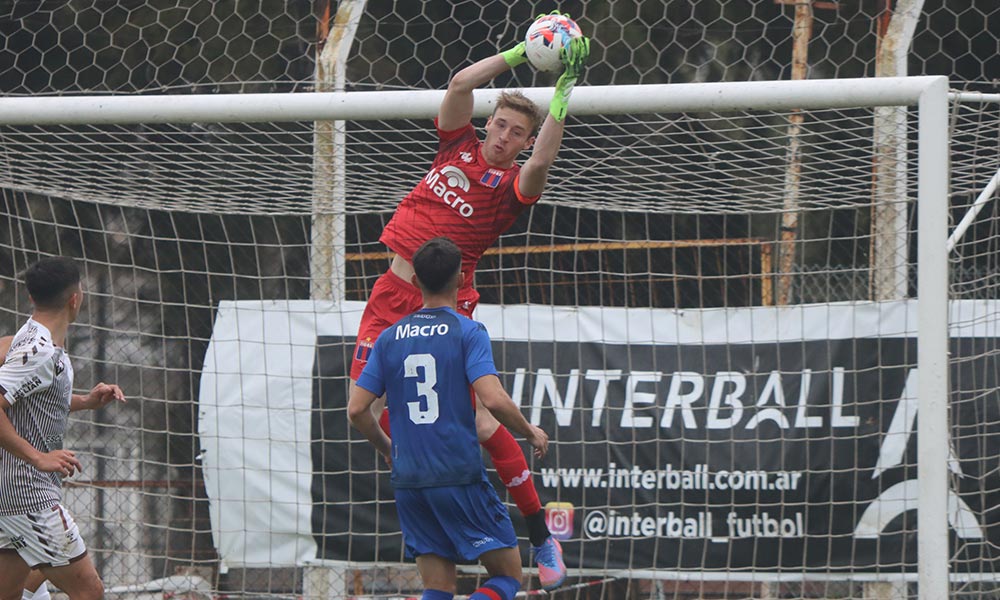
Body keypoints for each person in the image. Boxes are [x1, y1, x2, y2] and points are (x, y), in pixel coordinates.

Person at [348, 14, 589, 589]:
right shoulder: (455, 147)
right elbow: (459, 86)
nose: (502, 137)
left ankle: (538, 534)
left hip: (445, 302)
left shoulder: (509, 191)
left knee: (482, 418)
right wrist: (519, 52)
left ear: (525, 140)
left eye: (515, 133)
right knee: (360, 410)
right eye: (499, 125)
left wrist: (562, 93)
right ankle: (417, 479)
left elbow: (542, 166)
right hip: (388, 296)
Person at [349, 237, 551, 600]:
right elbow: (493, 398)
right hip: (457, 474)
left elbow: (357, 409)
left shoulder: (388, 338)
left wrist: (386, 446)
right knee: (508, 577)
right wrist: (530, 431)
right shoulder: (466, 331)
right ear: (461, 279)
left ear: (414, 282)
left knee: (437, 587)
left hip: (409, 480)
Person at [0, 257, 126, 600]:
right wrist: (38, 457)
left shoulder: (34, 339)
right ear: (76, 299)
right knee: (89, 590)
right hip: (30, 492)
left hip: (11, 493)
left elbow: (32, 397)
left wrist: (85, 401)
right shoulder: (38, 350)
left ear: (31, 298)